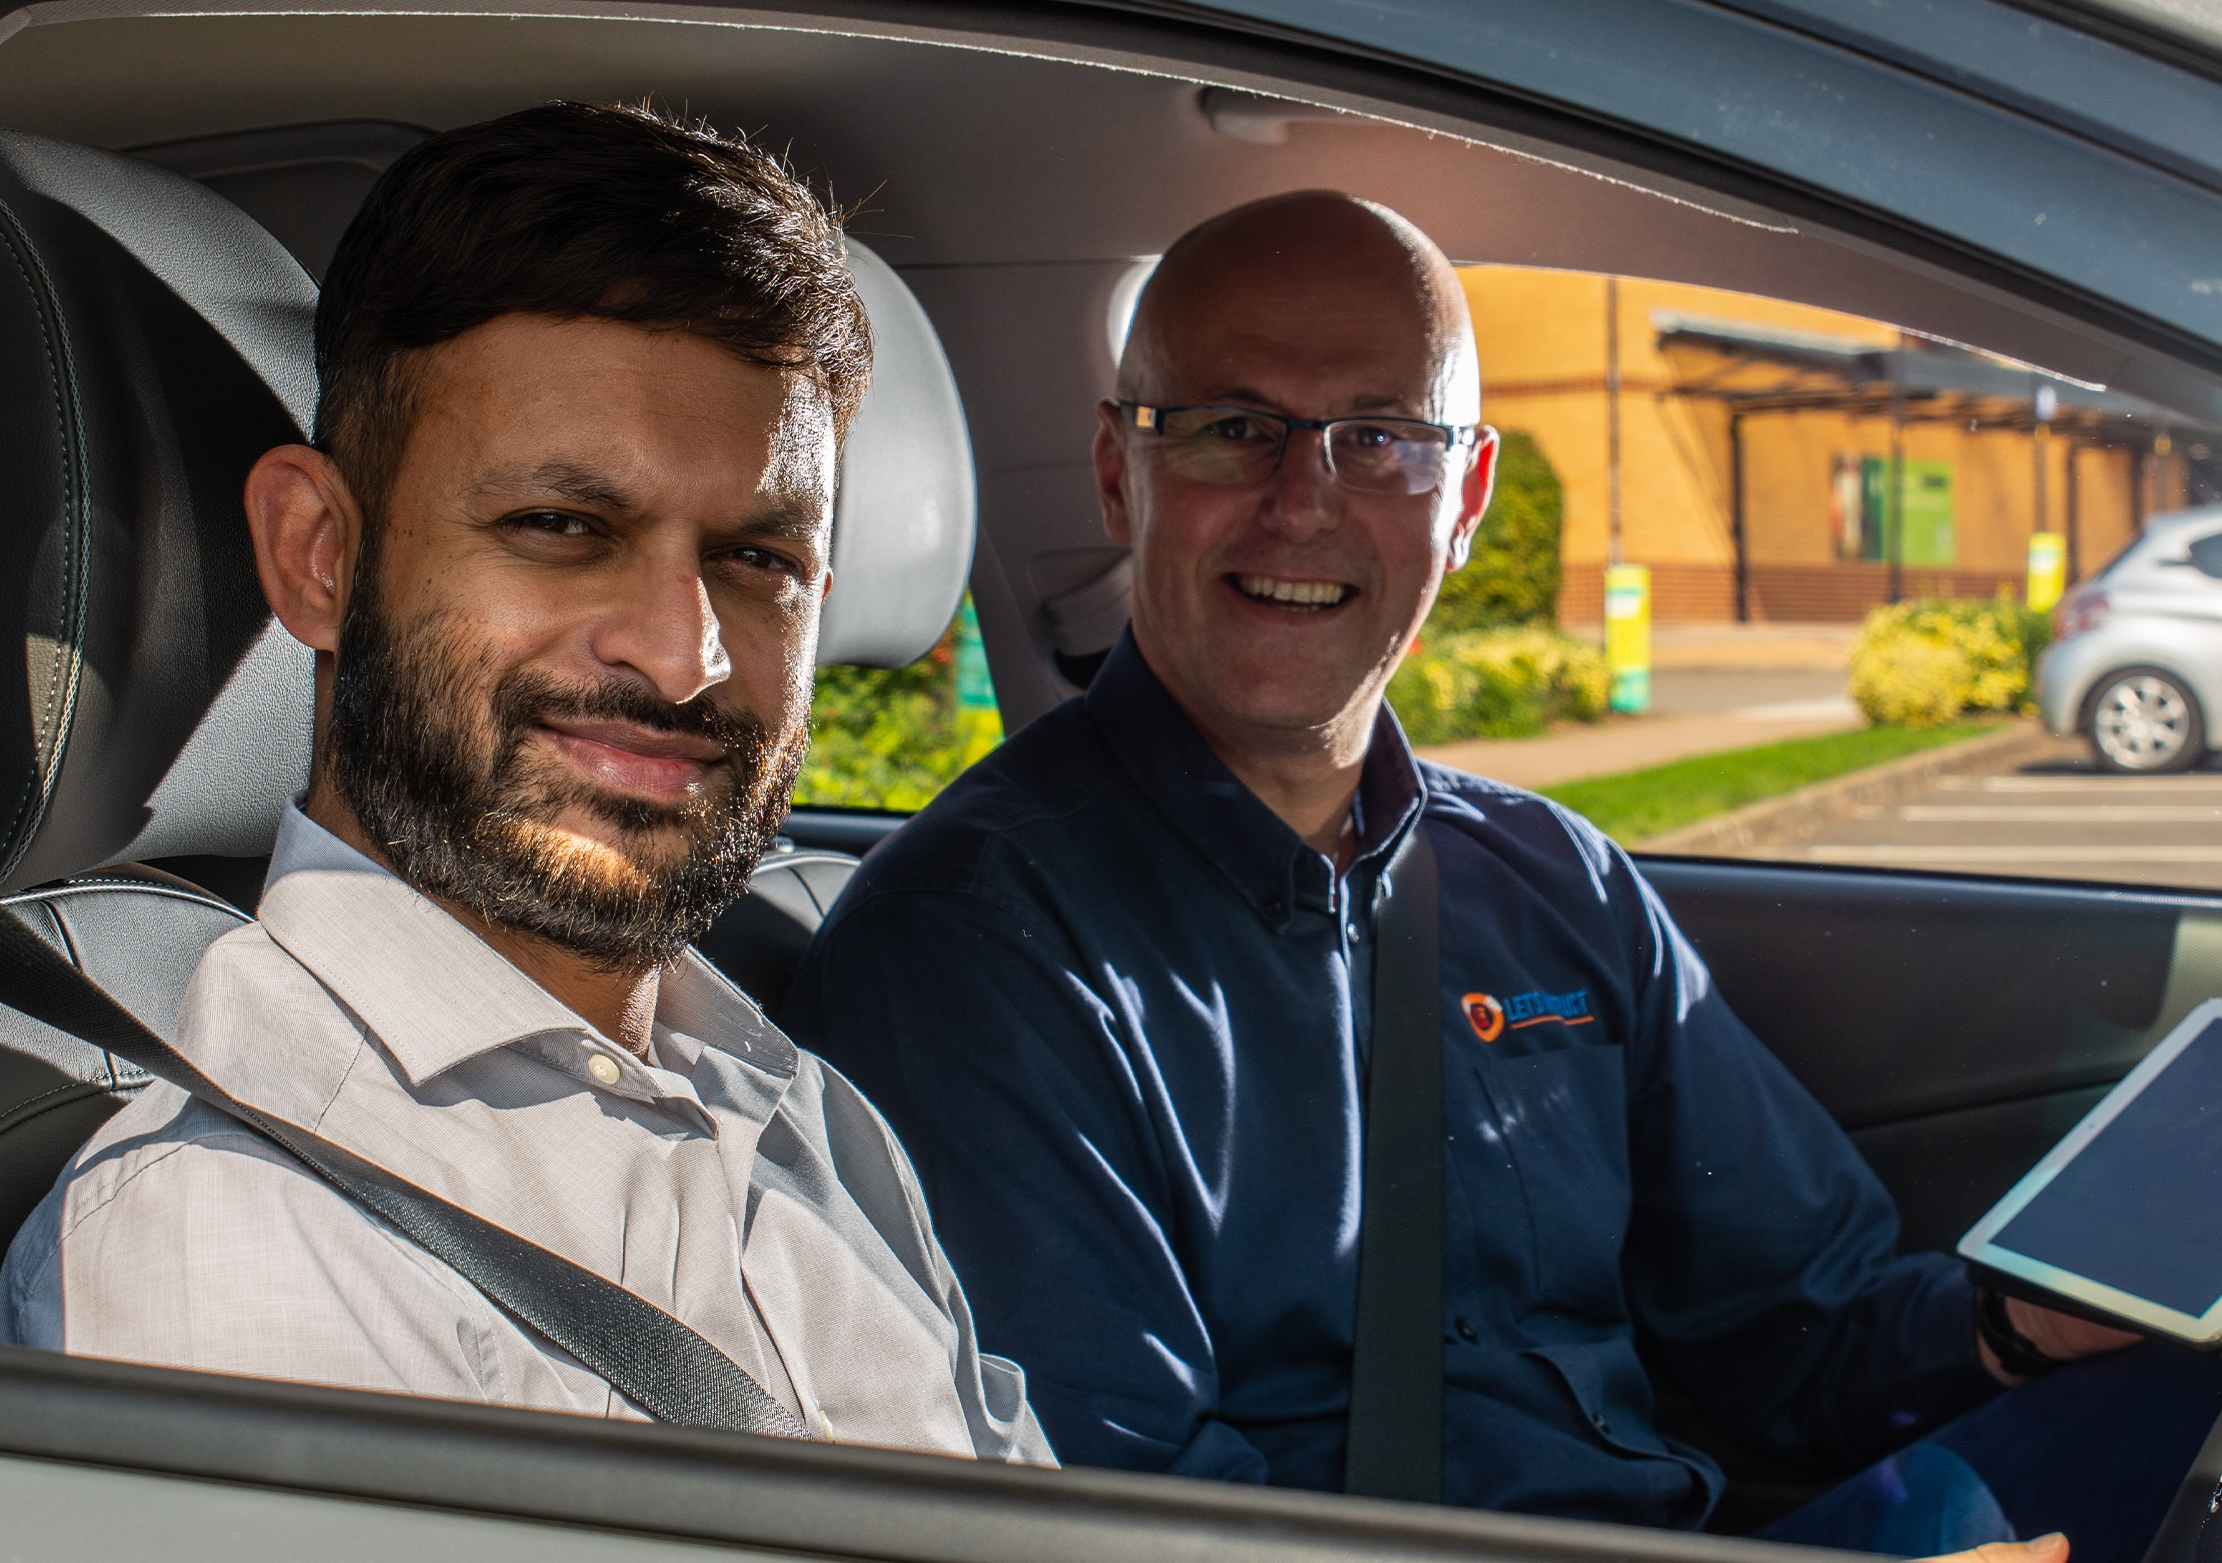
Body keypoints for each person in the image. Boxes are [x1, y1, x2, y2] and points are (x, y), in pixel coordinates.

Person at [780, 191, 2222, 1549]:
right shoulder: (976, 946)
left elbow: (1789, 1331)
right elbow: (1136, 1526)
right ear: (1121, 472)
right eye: (1232, 429)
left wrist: (2015, 1329)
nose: (1303, 501)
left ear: (1464, 495)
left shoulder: (1555, 881)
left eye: (1382, 437)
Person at [0, 102, 1051, 1465]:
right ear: (320, 556)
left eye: (758, 560)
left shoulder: (791, 1099)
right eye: (561, 525)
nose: (683, 655)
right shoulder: (242, 1231)